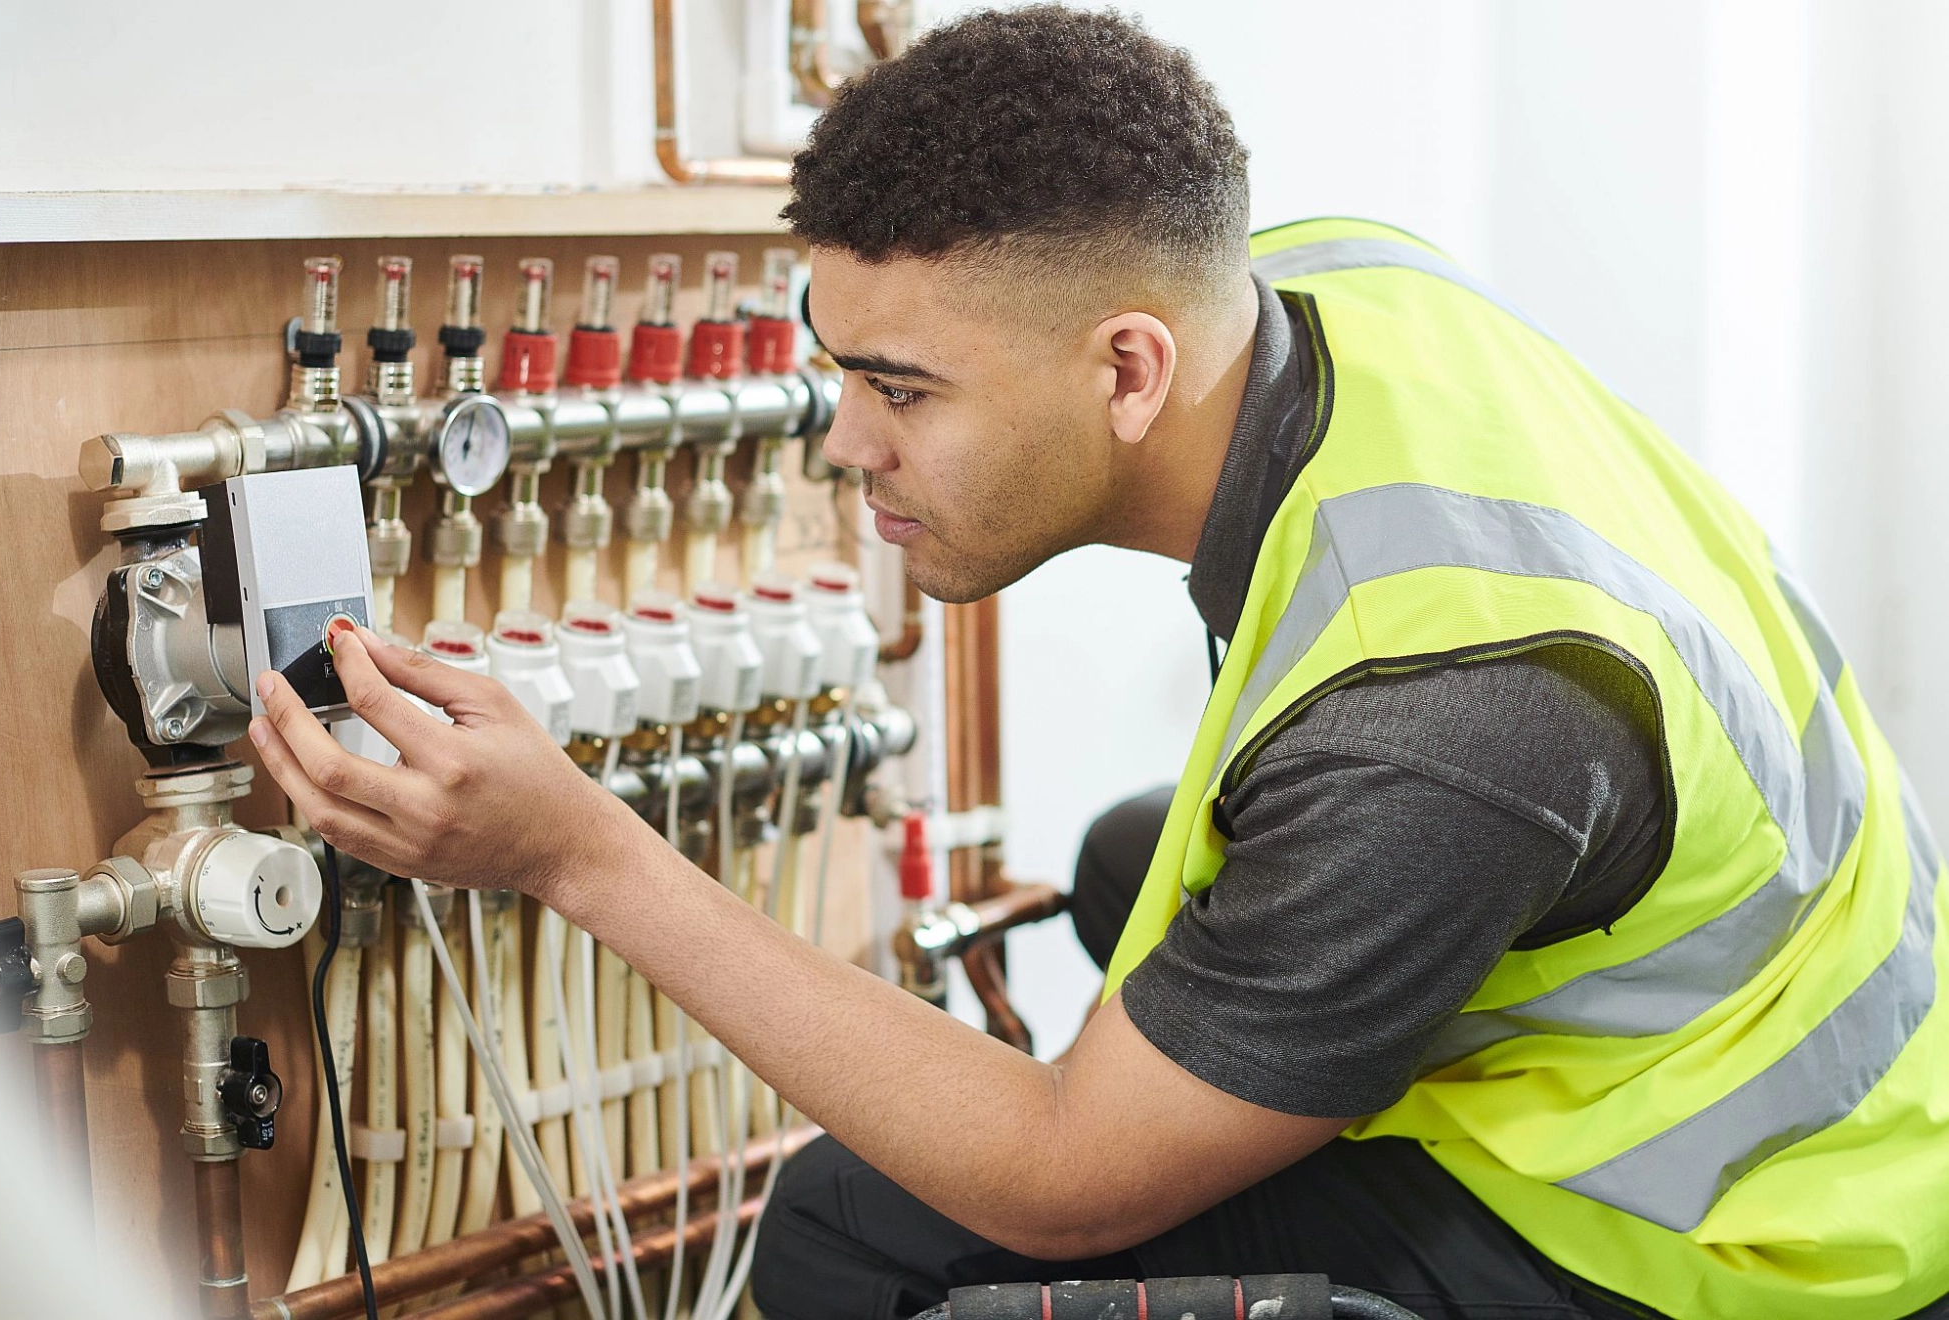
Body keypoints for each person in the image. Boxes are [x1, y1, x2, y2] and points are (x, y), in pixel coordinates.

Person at [247, 7, 1949, 1319]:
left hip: (1746, 1244)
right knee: (1138, 861)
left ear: (1129, 370)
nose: (844, 443)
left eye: (902, 390)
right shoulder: (1331, 290)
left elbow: (1062, 1180)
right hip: (1715, 1034)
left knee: (851, 1232)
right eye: (840, 372)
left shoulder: (1443, 724)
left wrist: (576, 852)